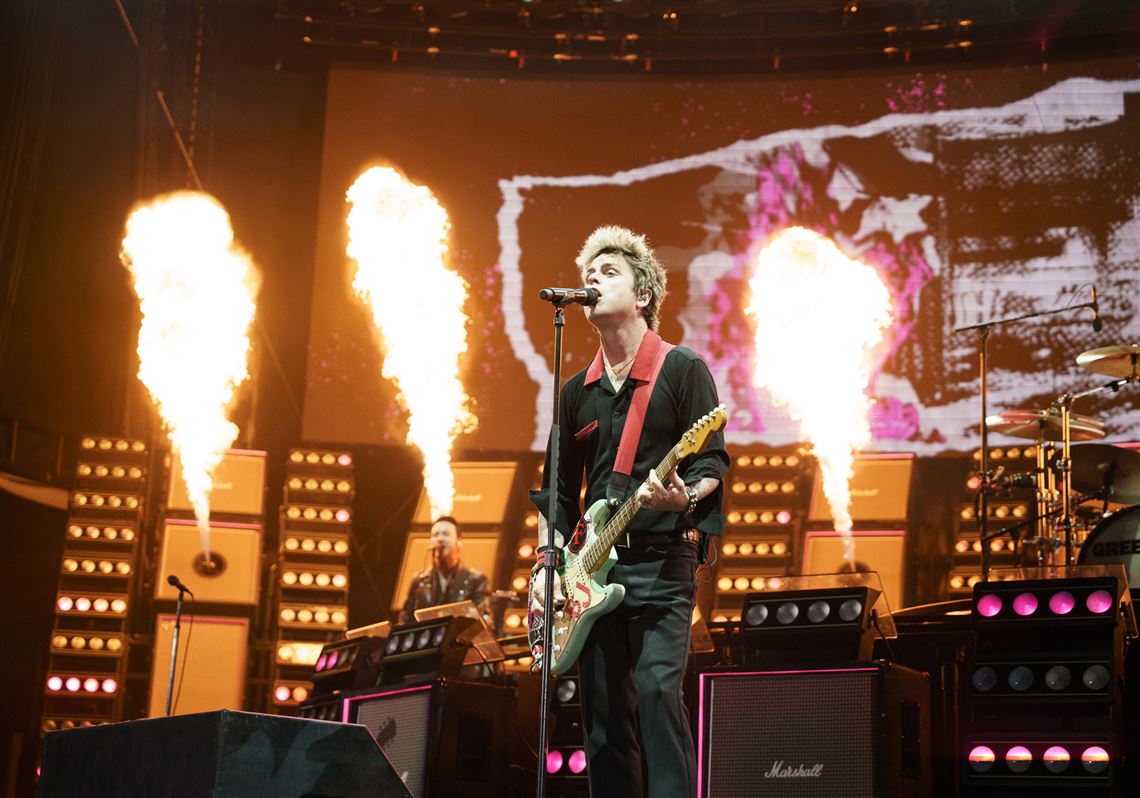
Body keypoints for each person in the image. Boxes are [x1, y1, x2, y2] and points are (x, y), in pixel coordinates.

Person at [530, 225, 728, 798]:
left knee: (659, 691)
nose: (591, 279)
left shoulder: (682, 369)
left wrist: (683, 499)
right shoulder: (576, 393)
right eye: (588, 272)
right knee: (604, 722)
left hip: (663, 564)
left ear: (642, 295)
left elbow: (710, 460)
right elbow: (559, 492)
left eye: (608, 271)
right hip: (591, 574)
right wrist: (549, 564)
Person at [398, 516, 489, 624]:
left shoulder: (476, 579)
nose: (439, 539)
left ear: (459, 541)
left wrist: (478, 618)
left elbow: (486, 619)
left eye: (445, 534)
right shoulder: (419, 580)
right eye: (435, 535)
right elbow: (405, 620)